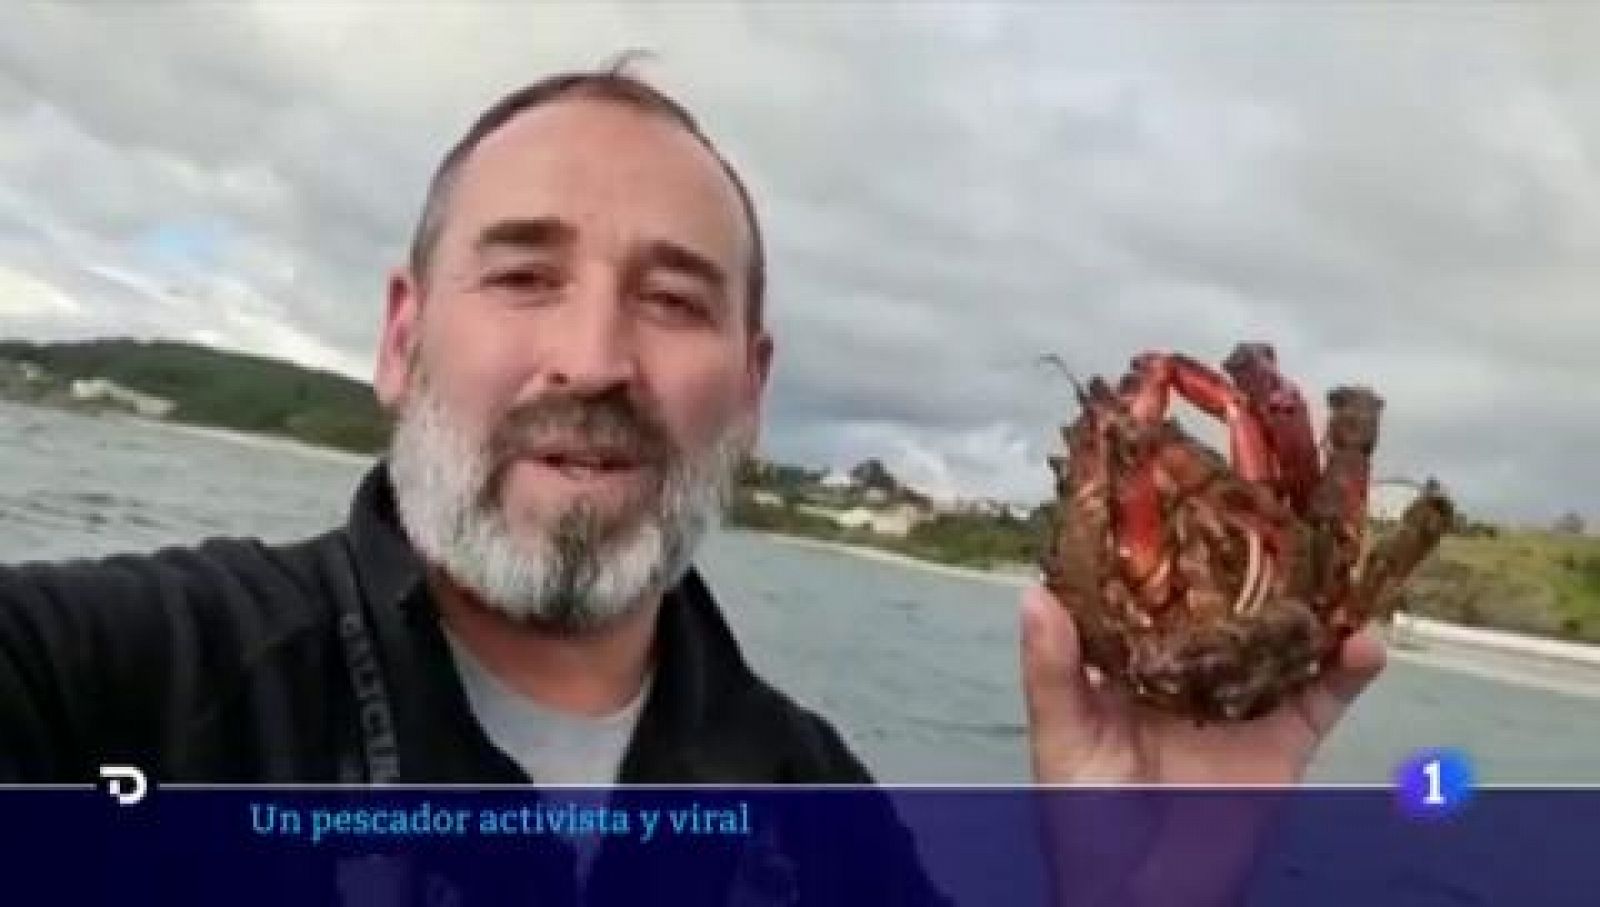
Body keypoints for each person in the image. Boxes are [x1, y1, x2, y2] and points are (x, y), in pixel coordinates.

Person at [0, 58, 1386, 903]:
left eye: (672, 300)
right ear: (402, 337)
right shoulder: (104, 682)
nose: (594, 356)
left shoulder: (827, 821)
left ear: (756, 387)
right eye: (525, 273)